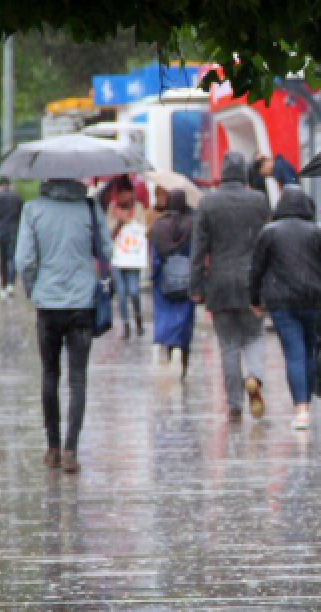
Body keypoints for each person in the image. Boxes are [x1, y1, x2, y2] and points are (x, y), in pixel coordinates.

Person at [14, 179, 113, 474]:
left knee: (49, 375)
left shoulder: (33, 210)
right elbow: (106, 251)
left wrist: (34, 290)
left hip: (48, 305)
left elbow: (24, 260)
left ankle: (52, 447)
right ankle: (71, 448)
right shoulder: (90, 208)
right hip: (83, 304)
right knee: (78, 378)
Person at [190, 153, 272, 420]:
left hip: (220, 284)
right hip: (252, 283)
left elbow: (198, 249)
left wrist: (196, 287)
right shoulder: (258, 201)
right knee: (255, 335)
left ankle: (235, 405)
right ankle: (255, 376)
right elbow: (266, 242)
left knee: (228, 346)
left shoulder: (208, 203)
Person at [248, 184, 321, 430]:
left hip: (282, 302)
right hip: (314, 300)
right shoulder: (315, 232)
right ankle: (308, 402)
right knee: (311, 353)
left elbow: (257, 269)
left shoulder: (269, 232)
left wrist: (255, 299)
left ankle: (301, 410)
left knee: (294, 354)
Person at [149, 188, 198, 378]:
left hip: (164, 280)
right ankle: (183, 354)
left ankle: (169, 349)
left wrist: (156, 275)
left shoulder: (158, 226)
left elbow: (154, 257)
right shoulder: (192, 224)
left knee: (165, 317)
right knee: (184, 319)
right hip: (187, 280)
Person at [106, 175, 147, 338]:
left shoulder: (138, 208)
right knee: (121, 293)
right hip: (118, 257)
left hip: (133, 257)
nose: (124, 196)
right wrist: (119, 222)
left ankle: (138, 317)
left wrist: (131, 220)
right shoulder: (112, 208)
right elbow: (108, 233)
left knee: (134, 291)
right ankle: (126, 323)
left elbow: (143, 230)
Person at [0, 177, 24, 299]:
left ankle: (3, 286)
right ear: (10, 185)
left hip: (0, 231)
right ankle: (11, 284)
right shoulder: (17, 198)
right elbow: (22, 214)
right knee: (12, 258)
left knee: (2, 260)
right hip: (14, 231)